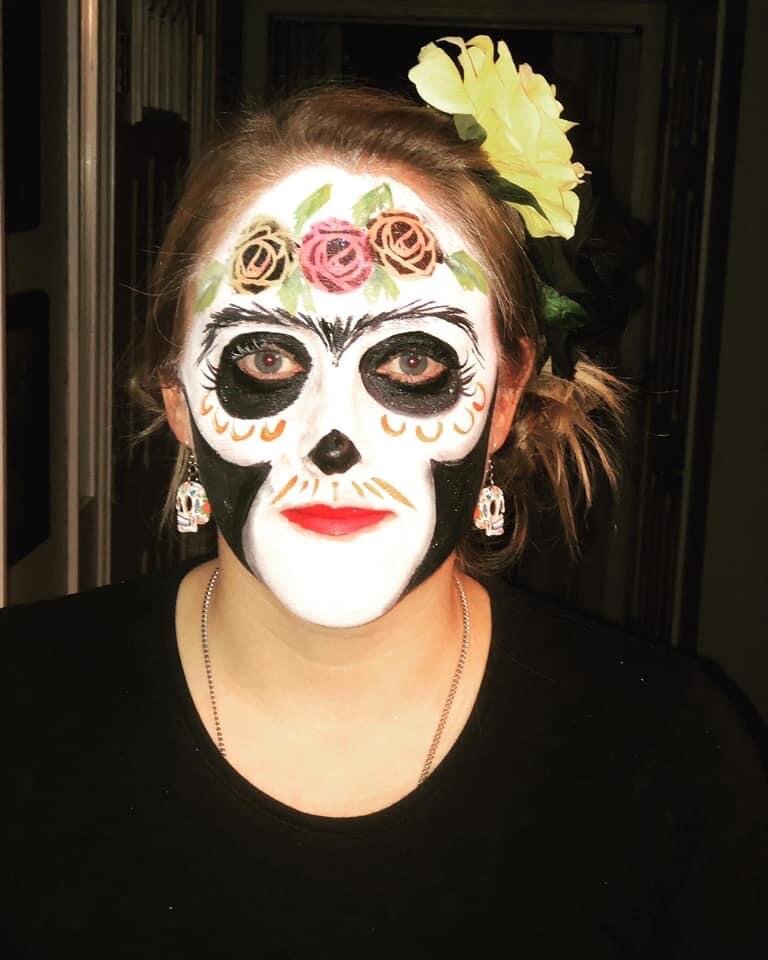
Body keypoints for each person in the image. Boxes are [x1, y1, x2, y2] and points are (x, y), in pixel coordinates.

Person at [3, 37, 765, 957]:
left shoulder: (675, 756)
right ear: (179, 401)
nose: (335, 438)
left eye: (411, 363)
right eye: (266, 358)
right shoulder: (18, 707)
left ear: (505, 399)